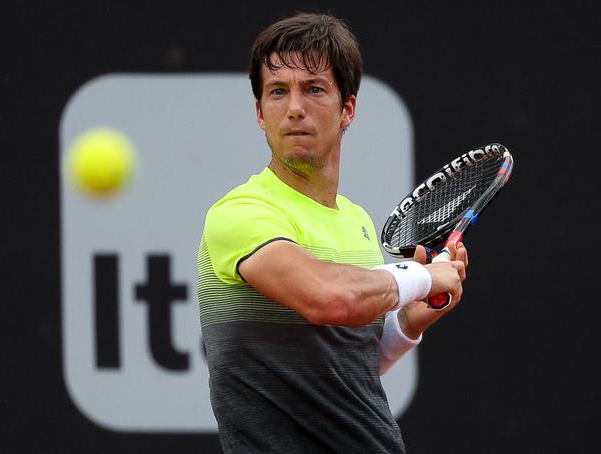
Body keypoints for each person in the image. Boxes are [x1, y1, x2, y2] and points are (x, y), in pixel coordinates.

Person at [197, 12, 468, 453]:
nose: (295, 107)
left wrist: (405, 326)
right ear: (260, 113)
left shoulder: (356, 221)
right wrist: (422, 278)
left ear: (348, 110)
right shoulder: (241, 213)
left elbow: (345, 367)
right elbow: (331, 299)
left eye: (314, 89)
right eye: (278, 92)